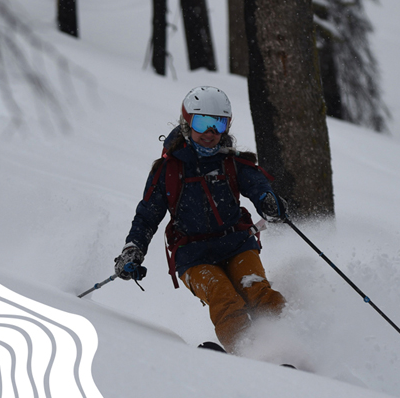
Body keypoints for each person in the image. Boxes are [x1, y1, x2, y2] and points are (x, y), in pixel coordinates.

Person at [115, 86, 288, 353]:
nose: (210, 133)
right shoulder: (168, 170)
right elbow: (147, 216)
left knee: (255, 288)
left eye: (218, 124)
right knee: (223, 295)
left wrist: (269, 201)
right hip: (193, 254)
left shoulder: (231, 162)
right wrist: (133, 250)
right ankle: (249, 350)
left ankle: (288, 341)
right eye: (202, 123)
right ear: (187, 123)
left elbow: (257, 184)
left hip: (237, 243)